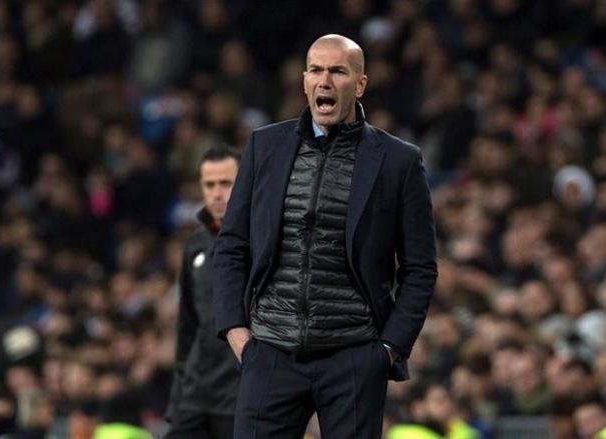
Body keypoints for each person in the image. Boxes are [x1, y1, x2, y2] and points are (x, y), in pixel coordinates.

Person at [212, 34, 438, 438]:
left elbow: (420, 267)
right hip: (270, 351)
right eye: (316, 70)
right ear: (303, 81)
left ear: (361, 83)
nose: (325, 81)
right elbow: (232, 244)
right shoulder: (265, 146)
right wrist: (236, 331)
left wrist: (387, 350)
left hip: (353, 357)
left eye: (338, 71)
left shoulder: (399, 161)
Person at [165, 147, 240, 438]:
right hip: (195, 393)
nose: (217, 193)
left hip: (239, 395)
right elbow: (187, 326)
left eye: (225, 183)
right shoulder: (195, 244)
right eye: (209, 185)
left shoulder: (262, 240)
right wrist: (177, 399)